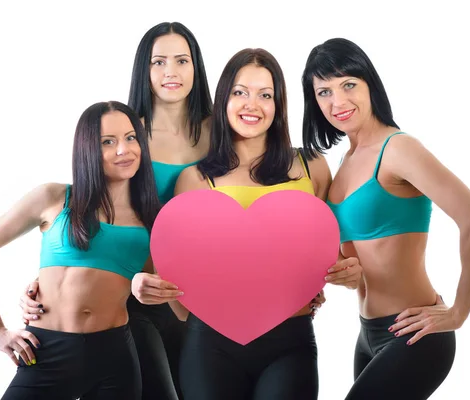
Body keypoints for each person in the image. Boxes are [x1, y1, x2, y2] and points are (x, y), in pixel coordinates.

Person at [135, 48, 362, 400]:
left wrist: (348, 274)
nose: (251, 104)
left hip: (290, 343)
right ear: (224, 100)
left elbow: (334, 252)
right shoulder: (196, 179)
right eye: (240, 92)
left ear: (279, 104)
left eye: (265, 95)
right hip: (210, 346)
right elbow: (174, 272)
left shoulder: (311, 166)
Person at [17, 22, 213, 400]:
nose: (171, 72)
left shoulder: (218, 134)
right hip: (128, 296)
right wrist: (55, 279)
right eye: (159, 62)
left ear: (196, 68)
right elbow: (84, 206)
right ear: (144, 69)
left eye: (182, 60)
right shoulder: (124, 134)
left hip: (191, 293)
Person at [301, 38, 470, 400]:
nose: (337, 102)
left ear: (369, 84)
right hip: (367, 333)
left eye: (348, 85)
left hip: (416, 334)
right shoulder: (345, 162)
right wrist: (341, 276)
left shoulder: (399, 149)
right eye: (324, 92)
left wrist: (458, 313)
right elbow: (359, 261)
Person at [0, 101, 160, 399]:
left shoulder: (151, 221)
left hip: (115, 356)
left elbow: (155, 292)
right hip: (46, 352)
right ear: (87, 150)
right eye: (108, 142)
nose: (124, 149)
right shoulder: (53, 198)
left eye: (131, 138)